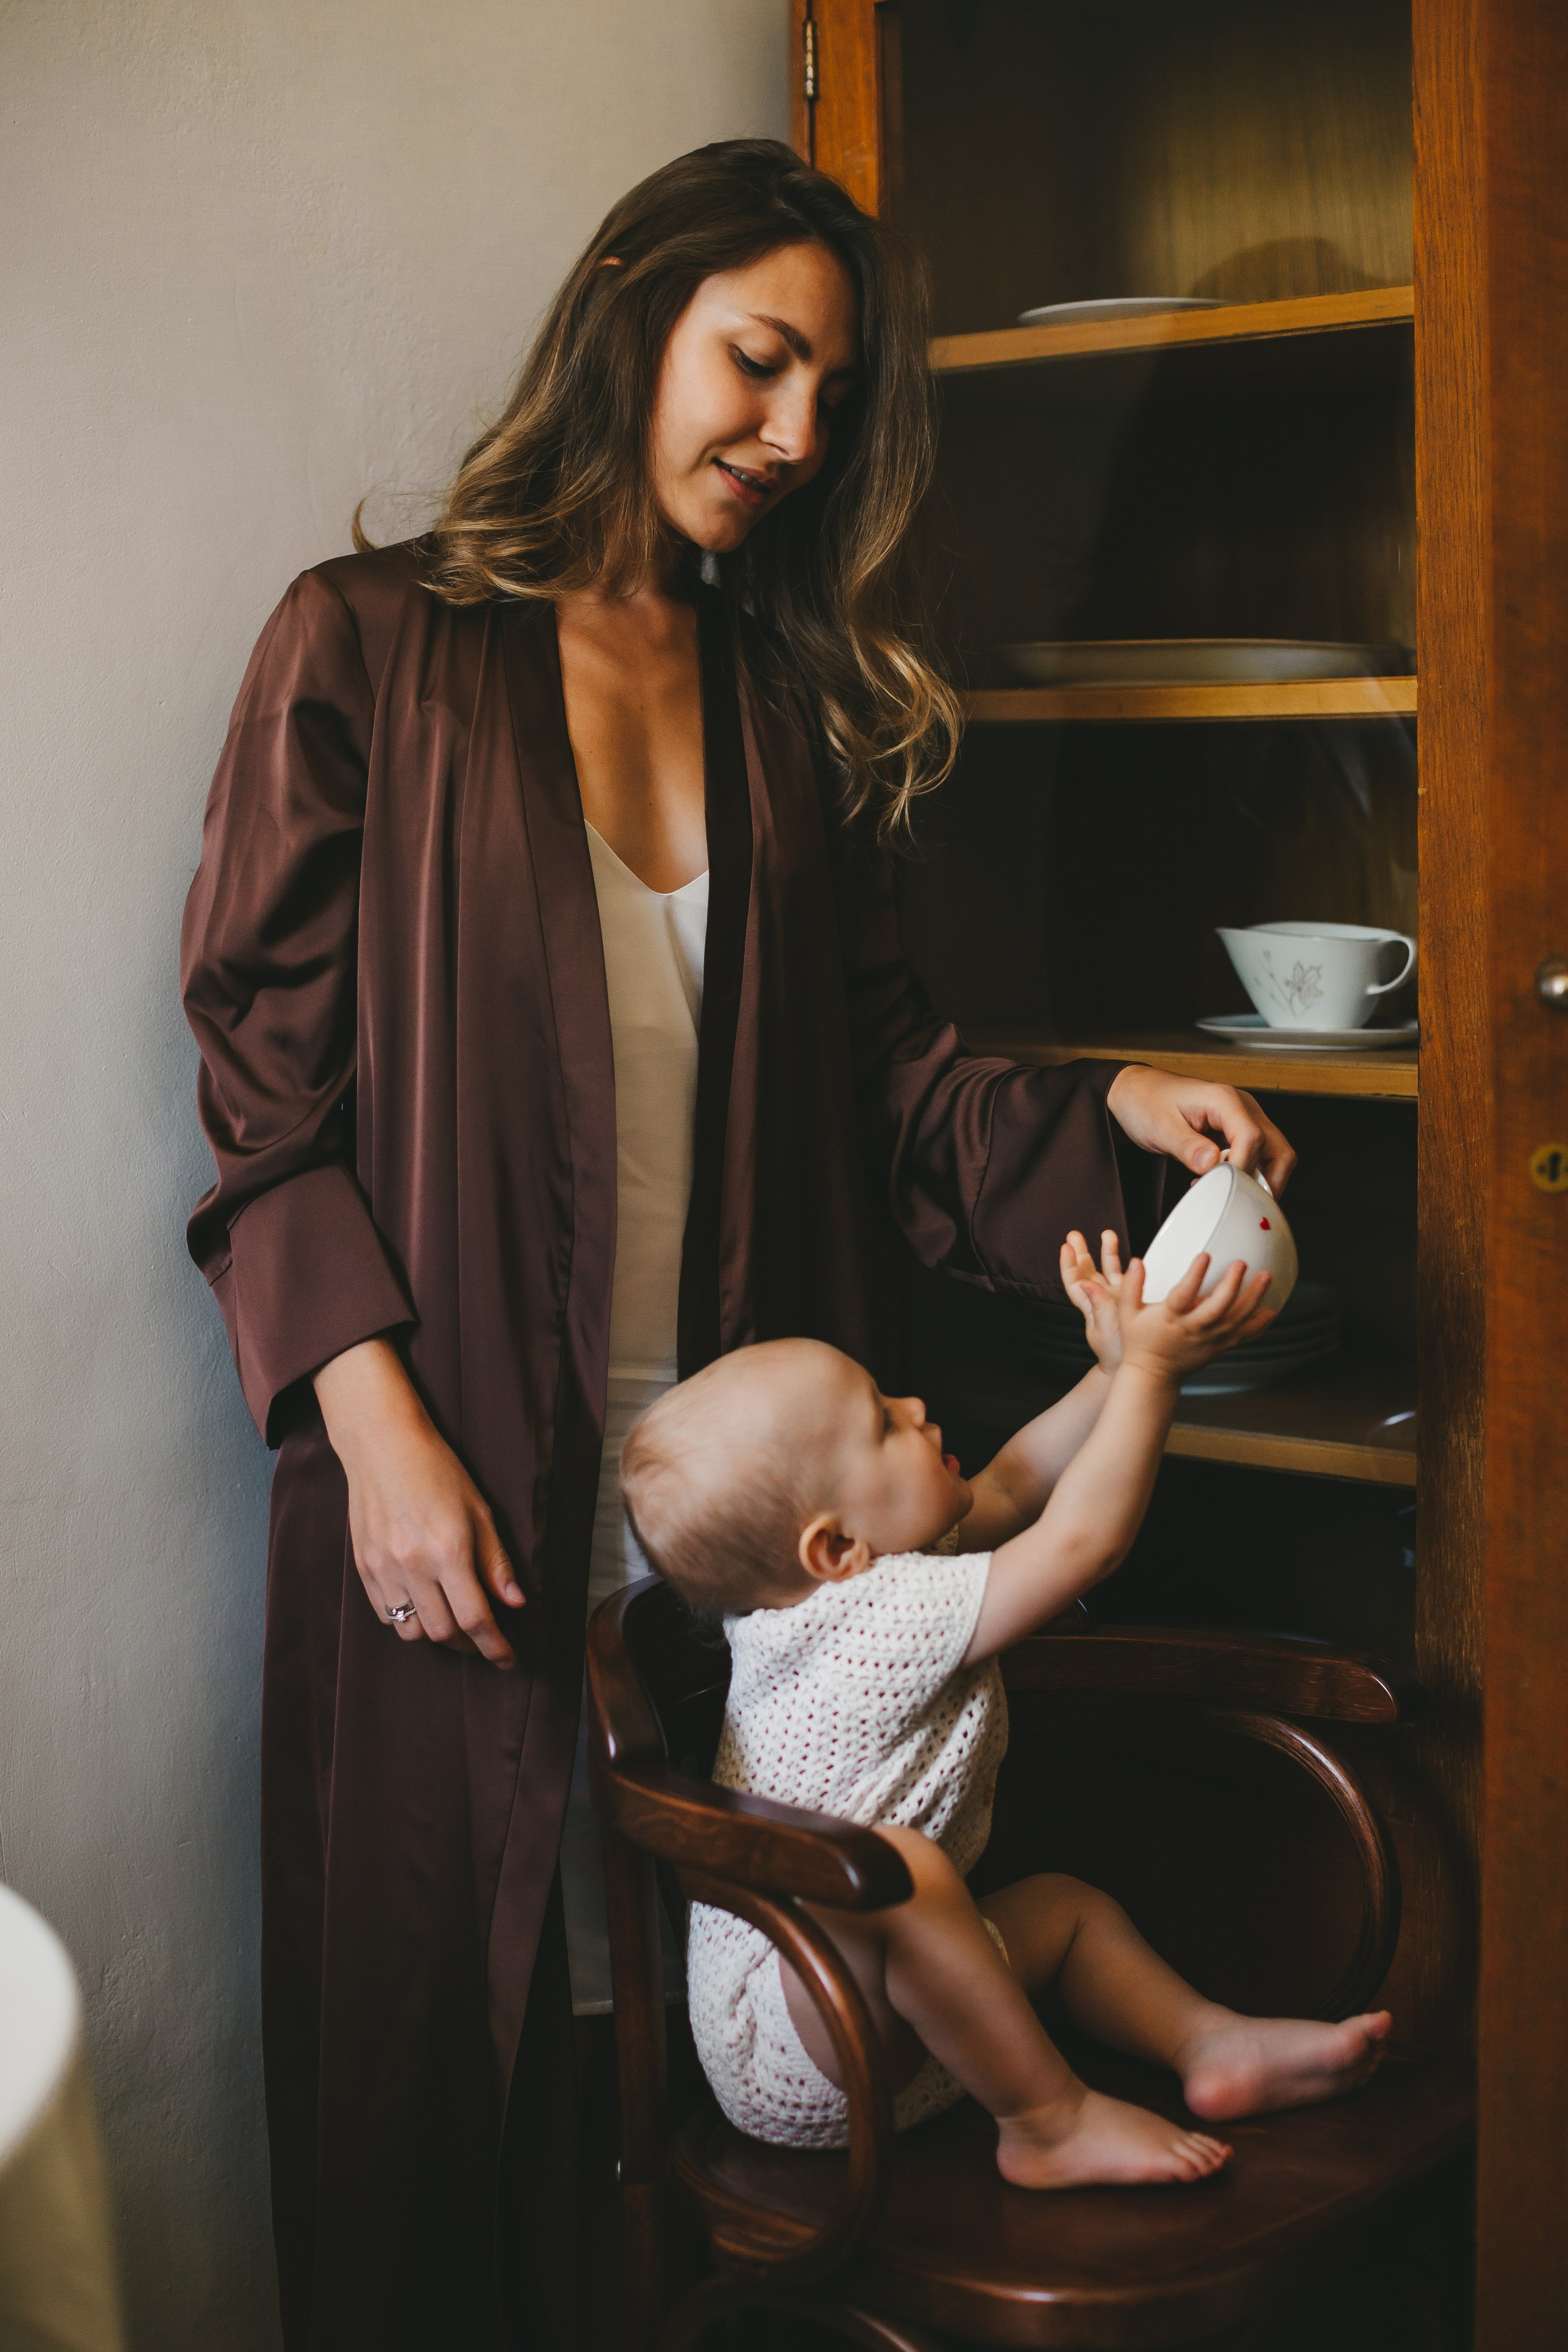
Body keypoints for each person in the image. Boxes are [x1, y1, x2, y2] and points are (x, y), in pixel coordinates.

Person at [180, 140, 1295, 2346]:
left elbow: (895, 1091)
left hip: (766, 1528)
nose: (791, 436)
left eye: (826, 397)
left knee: (760, 2046)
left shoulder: (784, 712)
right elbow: (253, 1069)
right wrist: (367, 1410)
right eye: (758, 361)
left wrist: (1109, 1116)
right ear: (631, 309)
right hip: (457, 1483)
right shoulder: (370, 646)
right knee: (459, 2044)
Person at [622, 1234, 1391, 2184]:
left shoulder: (864, 1576)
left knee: (1066, 1915)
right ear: (834, 1549)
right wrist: (1152, 1372)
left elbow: (1021, 1482)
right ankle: (1048, 2123)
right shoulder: (869, 1622)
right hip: (799, 2044)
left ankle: (1213, 2046)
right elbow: (1078, 1547)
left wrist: (1111, 1368)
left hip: (896, 2021)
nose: (911, 1406)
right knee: (895, 1868)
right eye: (881, 1424)